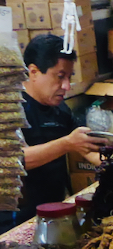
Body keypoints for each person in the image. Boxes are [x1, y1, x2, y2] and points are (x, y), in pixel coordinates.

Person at [0, 34, 106, 232]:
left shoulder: (61, 110)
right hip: (14, 223)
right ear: (33, 72)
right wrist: (66, 143)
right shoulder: (10, 110)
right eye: (60, 76)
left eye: (69, 77)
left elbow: (88, 148)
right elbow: (14, 161)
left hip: (52, 216)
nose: (66, 86)